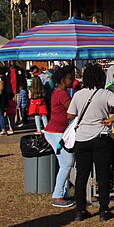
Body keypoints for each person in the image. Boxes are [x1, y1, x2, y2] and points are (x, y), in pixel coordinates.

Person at [68, 64, 114, 222]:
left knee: (82, 176)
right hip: (101, 136)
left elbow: (70, 115)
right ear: (101, 78)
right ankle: (103, 210)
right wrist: (110, 119)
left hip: (82, 138)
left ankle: (80, 210)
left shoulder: (78, 94)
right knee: (103, 175)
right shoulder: (104, 94)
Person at [43, 66, 76, 208]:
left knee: (65, 163)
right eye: (70, 78)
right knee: (67, 163)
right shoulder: (62, 94)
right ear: (63, 80)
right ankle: (57, 195)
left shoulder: (58, 92)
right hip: (56, 132)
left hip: (57, 131)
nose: (72, 80)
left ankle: (63, 192)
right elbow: (72, 109)